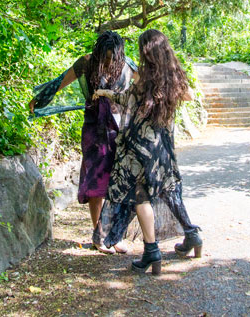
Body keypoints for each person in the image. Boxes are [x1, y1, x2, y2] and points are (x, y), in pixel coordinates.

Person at [92, 29, 202, 275]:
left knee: (140, 196)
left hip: (139, 148)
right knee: (168, 189)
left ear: (146, 52)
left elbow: (125, 99)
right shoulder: (173, 77)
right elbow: (189, 96)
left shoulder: (142, 78)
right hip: (163, 148)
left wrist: (104, 93)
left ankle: (152, 251)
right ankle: (192, 236)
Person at [29, 31, 137, 254]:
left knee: (119, 181)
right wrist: (38, 100)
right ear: (99, 52)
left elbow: (146, 86)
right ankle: (99, 235)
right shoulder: (86, 63)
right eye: (106, 57)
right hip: (94, 130)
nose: (109, 62)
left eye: (113, 58)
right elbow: (60, 82)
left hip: (120, 129)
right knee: (95, 180)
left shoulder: (128, 65)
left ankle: (114, 235)